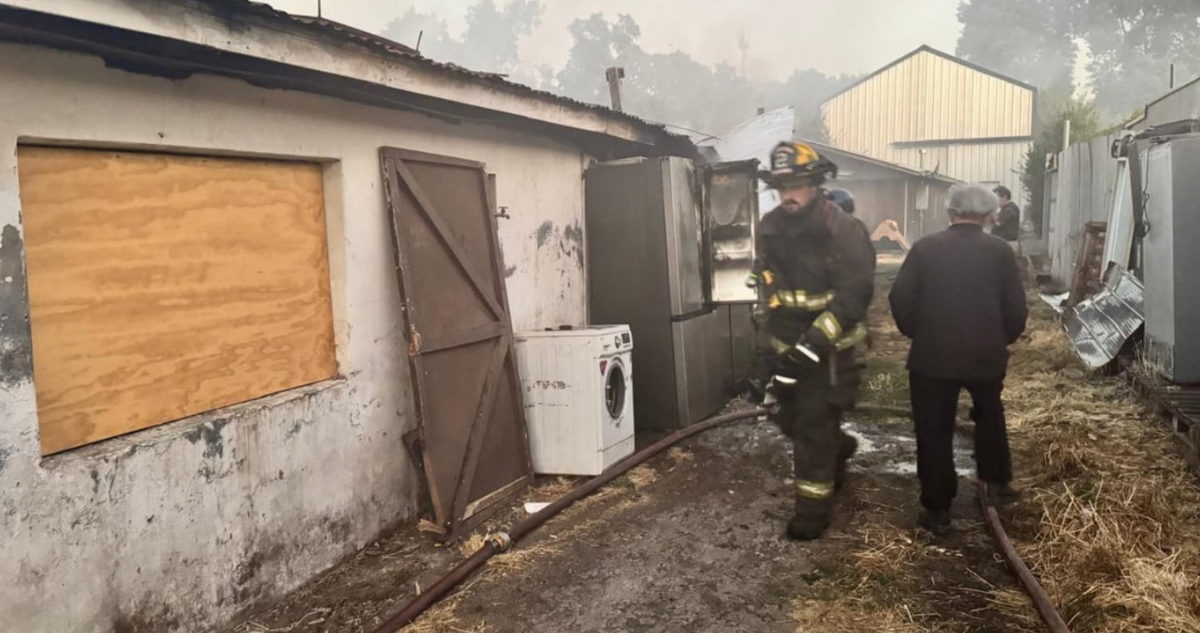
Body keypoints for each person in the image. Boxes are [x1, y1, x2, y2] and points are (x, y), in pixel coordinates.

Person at [750, 141, 876, 541]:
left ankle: (811, 516)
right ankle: (838, 448)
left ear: (817, 183)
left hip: (831, 352)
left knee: (812, 429)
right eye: (782, 186)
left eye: (798, 185)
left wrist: (811, 346)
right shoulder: (769, 226)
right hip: (785, 347)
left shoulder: (842, 229)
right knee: (786, 419)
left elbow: (852, 298)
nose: (789, 195)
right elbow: (764, 280)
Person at [888, 184, 1027, 536]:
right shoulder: (999, 252)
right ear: (988, 215)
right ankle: (998, 485)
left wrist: (917, 332)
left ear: (950, 212)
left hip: (932, 357)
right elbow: (1016, 308)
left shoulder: (925, 249)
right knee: (990, 415)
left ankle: (937, 510)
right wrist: (1000, 338)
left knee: (933, 431)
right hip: (985, 355)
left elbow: (900, 299)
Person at [992, 185, 1021, 251]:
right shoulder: (1007, 208)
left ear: (1004, 197)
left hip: (1007, 244)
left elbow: (998, 222)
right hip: (1005, 243)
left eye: (996, 198)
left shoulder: (1009, 209)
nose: (995, 201)